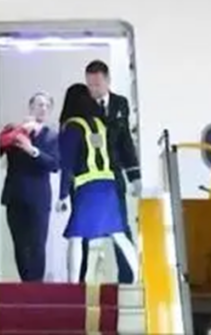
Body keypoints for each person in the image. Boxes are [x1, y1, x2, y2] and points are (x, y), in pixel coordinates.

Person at [56, 83, 139, 284]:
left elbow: (67, 163)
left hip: (86, 187)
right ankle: (138, 277)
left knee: (77, 235)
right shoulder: (99, 124)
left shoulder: (73, 127)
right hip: (108, 183)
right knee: (118, 233)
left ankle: (73, 283)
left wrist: (63, 195)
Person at [83, 59, 142, 284]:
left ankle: (128, 278)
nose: (94, 89)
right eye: (90, 85)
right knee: (88, 230)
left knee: (121, 227)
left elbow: (125, 141)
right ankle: (85, 280)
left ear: (107, 81)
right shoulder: (82, 106)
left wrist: (134, 175)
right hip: (90, 177)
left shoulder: (120, 104)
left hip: (114, 174)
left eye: (97, 84)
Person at [0, 92, 60, 282]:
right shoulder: (15, 131)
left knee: (37, 243)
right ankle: (26, 284)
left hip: (38, 198)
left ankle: (36, 286)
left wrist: (32, 150)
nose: (43, 109)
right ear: (30, 107)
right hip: (15, 195)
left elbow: (54, 165)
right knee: (20, 244)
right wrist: (15, 133)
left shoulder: (52, 136)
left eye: (46, 106)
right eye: (39, 104)